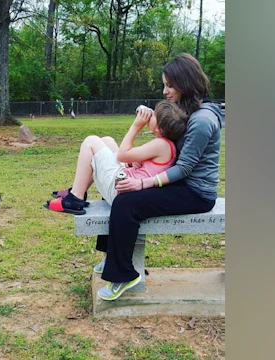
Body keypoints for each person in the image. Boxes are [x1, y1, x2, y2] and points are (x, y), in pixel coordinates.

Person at [94, 53, 224, 301]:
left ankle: (123, 275)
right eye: (164, 84)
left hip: (195, 192)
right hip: (179, 183)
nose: (165, 91)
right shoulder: (190, 111)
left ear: (185, 83)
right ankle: (112, 255)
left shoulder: (202, 120)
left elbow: (184, 168)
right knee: (120, 184)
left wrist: (142, 182)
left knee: (126, 201)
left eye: (169, 85)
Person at [44, 100, 188, 215]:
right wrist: (135, 163)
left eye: (154, 115)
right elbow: (133, 158)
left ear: (159, 129)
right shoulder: (167, 144)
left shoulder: (161, 144)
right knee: (107, 141)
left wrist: (136, 127)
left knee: (91, 141)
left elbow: (122, 155)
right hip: (126, 184)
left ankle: (75, 197)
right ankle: (78, 189)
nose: (151, 115)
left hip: (120, 190)